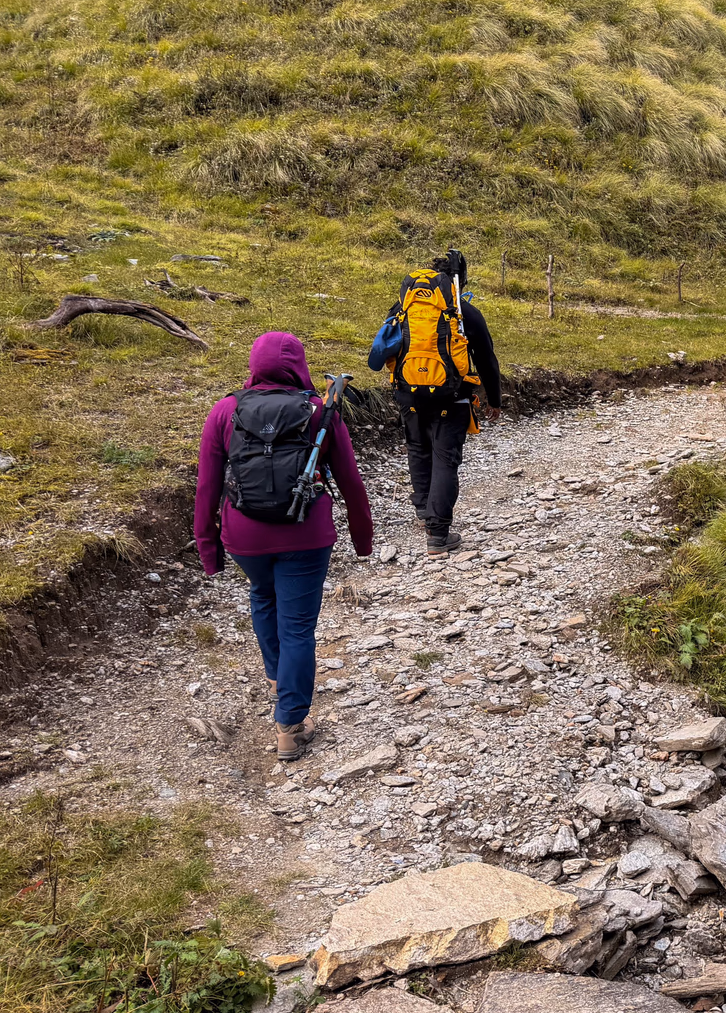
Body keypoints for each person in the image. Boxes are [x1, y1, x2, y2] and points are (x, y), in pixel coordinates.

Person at [195, 332, 373, 760]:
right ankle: (290, 724)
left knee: (262, 594)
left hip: (244, 536)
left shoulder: (225, 411)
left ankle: (279, 679)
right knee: (297, 626)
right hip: (305, 536)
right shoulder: (319, 412)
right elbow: (350, 481)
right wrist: (362, 538)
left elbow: (206, 486)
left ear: (254, 364)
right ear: (299, 365)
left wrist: (209, 547)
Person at [370, 251, 502, 558]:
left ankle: (423, 512)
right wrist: (493, 399)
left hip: (409, 393)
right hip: (451, 397)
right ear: (460, 281)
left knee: (418, 449)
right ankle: (438, 534)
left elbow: (381, 349)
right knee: (445, 459)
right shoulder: (464, 313)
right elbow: (486, 359)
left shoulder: (403, 309)